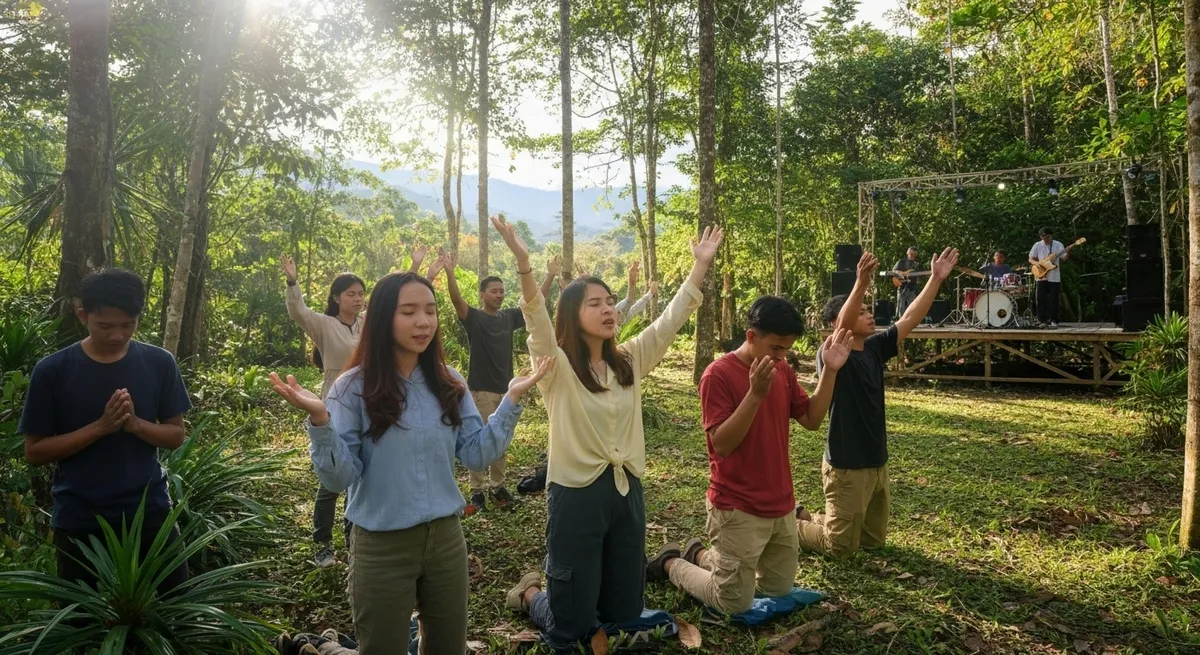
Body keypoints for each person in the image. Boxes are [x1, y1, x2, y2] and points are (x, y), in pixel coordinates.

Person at [269, 271, 552, 655]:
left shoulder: (449, 381)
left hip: (446, 542)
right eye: (409, 312)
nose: (424, 322)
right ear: (384, 317)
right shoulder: (352, 388)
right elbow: (339, 478)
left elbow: (475, 453)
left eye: (431, 311)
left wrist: (511, 402)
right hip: (381, 545)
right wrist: (321, 422)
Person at [497, 215, 723, 649]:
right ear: (572, 313)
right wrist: (525, 266)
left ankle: (577, 606)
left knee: (622, 611)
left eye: (610, 301)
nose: (607, 309)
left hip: (626, 491)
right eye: (594, 303)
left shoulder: (629, 360)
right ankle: (530, 595)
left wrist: (699, 267)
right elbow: (537, 326)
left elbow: (670, 321)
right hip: (576, 494)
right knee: (573, 625)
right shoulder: (558, 367)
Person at [644, 297, 852, 615]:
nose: (782, 356)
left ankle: (699, 554)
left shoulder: (781, 369)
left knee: (777, 590)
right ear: (752, 336)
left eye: (786, 349)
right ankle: (671, 562)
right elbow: (722, 444)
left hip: (780, 506)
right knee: (733, 603)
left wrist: (831, 373)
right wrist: (755, 394)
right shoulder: (718, 375)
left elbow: (811, 420)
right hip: (736, 507)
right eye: (776, 348)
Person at [21, 269, 191, 594]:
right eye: (105, 326)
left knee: (175, 603)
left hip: (149, 509)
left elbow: (175, 435)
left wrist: (136, 425)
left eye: (128, 325)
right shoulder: (53, 371)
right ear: (83, 314)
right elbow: (35, 451)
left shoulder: (159, 363)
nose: (117, 336)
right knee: (81, 621)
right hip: (81, 517)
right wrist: (100, 428)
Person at [796, 247, 959, 558]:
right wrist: (860, 282)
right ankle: (788, 525)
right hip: (846, 465)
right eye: (862, 310)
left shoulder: (873, 348)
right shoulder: (831, 355)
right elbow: (844, 325)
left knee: (871, 543)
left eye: (869, 309)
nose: (870, 314)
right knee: (840, 548)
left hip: (876, 461)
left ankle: (813, 517)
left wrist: (936, 279)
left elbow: (910, 316)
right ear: (836, 323)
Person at [441, 251, 557, 514]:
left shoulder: (508, 318)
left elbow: (534, 302)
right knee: (479, 440)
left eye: (502, 291)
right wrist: (449, 272)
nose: (499, 295)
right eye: (494, 291)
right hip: (480, 390)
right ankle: (477, 491)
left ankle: (497, 486)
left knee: (500, 440)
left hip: (506, 391)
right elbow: (456, 300)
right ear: (482, 295)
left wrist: (549, 275)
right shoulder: (474, 319)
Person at [284, 254, 367, 567]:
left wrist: (415, 270)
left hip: (366, 402)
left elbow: (393, 308)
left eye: (361, 293)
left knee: (360, 472)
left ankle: (353, 540)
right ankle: (322, 546)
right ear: (337, 298)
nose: (358, 298)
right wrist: (293, 282)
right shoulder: (324, 324)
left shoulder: (366, 323)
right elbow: (298, 312)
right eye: (351, 294)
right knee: (332, 478)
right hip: (334, 404)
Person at [1028, 228, 1075, 327]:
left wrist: (1069, 250)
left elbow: (1065, 258)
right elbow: (1031, 258)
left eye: (1048, 237)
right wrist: (1038, 264)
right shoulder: (1037, 245)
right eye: (1044, 237)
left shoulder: (1058, 245)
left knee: (1054, 299)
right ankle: (1042, 320)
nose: (1047, 239)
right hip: (1041, 276)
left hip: (1054, 276)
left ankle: (1053, 319)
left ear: (1051, 235)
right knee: (1040, 299)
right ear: (1041, 237)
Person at [615, 261, 657, 327]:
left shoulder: (624, 323)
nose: (620, 313)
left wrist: (650, 293)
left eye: (619, 311)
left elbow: (632, 305)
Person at [892, 246, 922, 317]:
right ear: (907, 253)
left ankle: (911, 320)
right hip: (902, 286)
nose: (912, 256)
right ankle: (900, 319)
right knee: (901, 305)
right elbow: (894, 271)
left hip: (912, 287)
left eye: (914, 254)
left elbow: (922, 272)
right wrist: (904, 273)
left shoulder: (916, 264)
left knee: (912, 306)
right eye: (910, 254)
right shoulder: (901, 262)